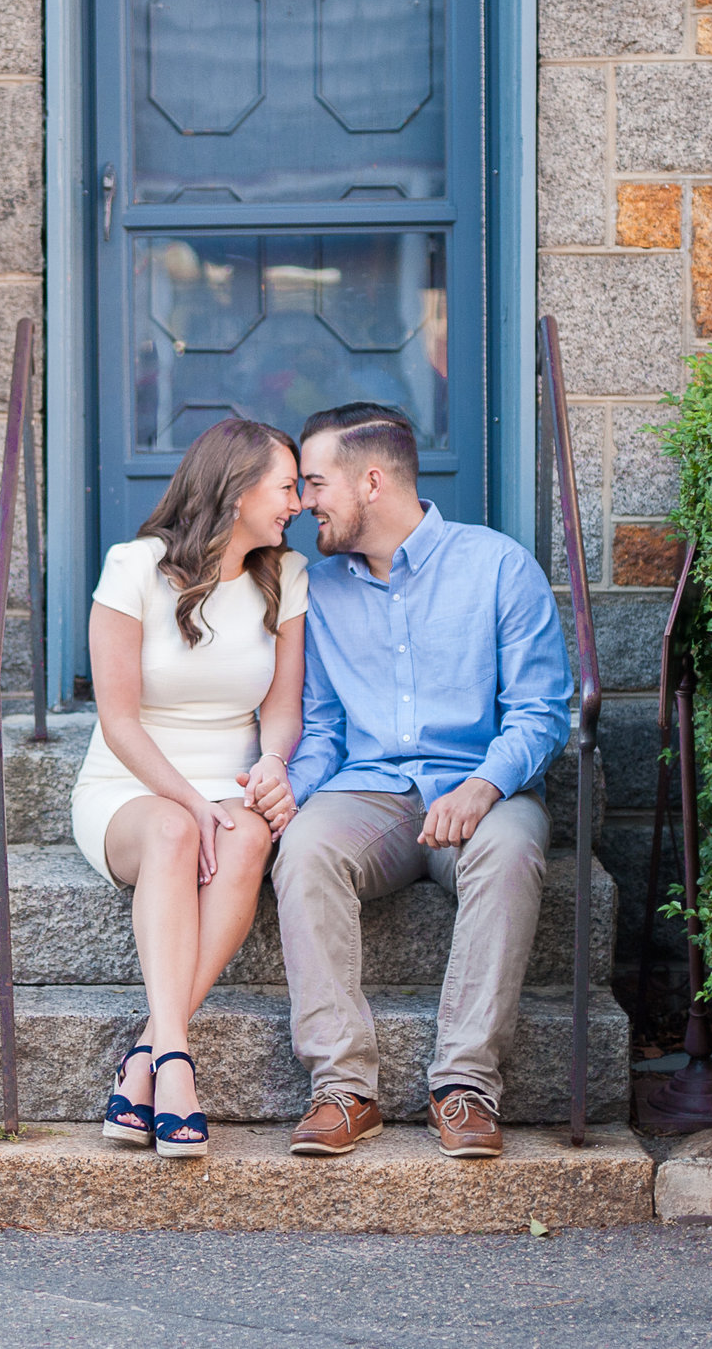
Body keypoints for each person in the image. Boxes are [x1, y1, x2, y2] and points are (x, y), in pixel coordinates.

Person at [247, 402, 572, 1160]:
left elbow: (540, 712)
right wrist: (293, 786)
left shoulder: (497, 566)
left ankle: (464, 1086)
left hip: (482, 789)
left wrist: (486, 785)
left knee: (513, 851)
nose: (303, 504)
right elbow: (323, 724)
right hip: (370, 792)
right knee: (306, 848)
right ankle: (342, 1087)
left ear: (371, 480)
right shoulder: (318, 590)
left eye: (316, 483)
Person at [72, 417, 307, 1160]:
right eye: (286, 484)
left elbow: (281, 709)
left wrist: (270, 763)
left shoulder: (286, 576)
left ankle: (146, 1053)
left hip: (229, 782)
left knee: (249, 837)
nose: (298, 501)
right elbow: (117, 719)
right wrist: (189, 800)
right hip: (130, 781)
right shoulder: (132, 567)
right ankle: (174, 1062)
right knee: (177, 832)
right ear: (237, 490)